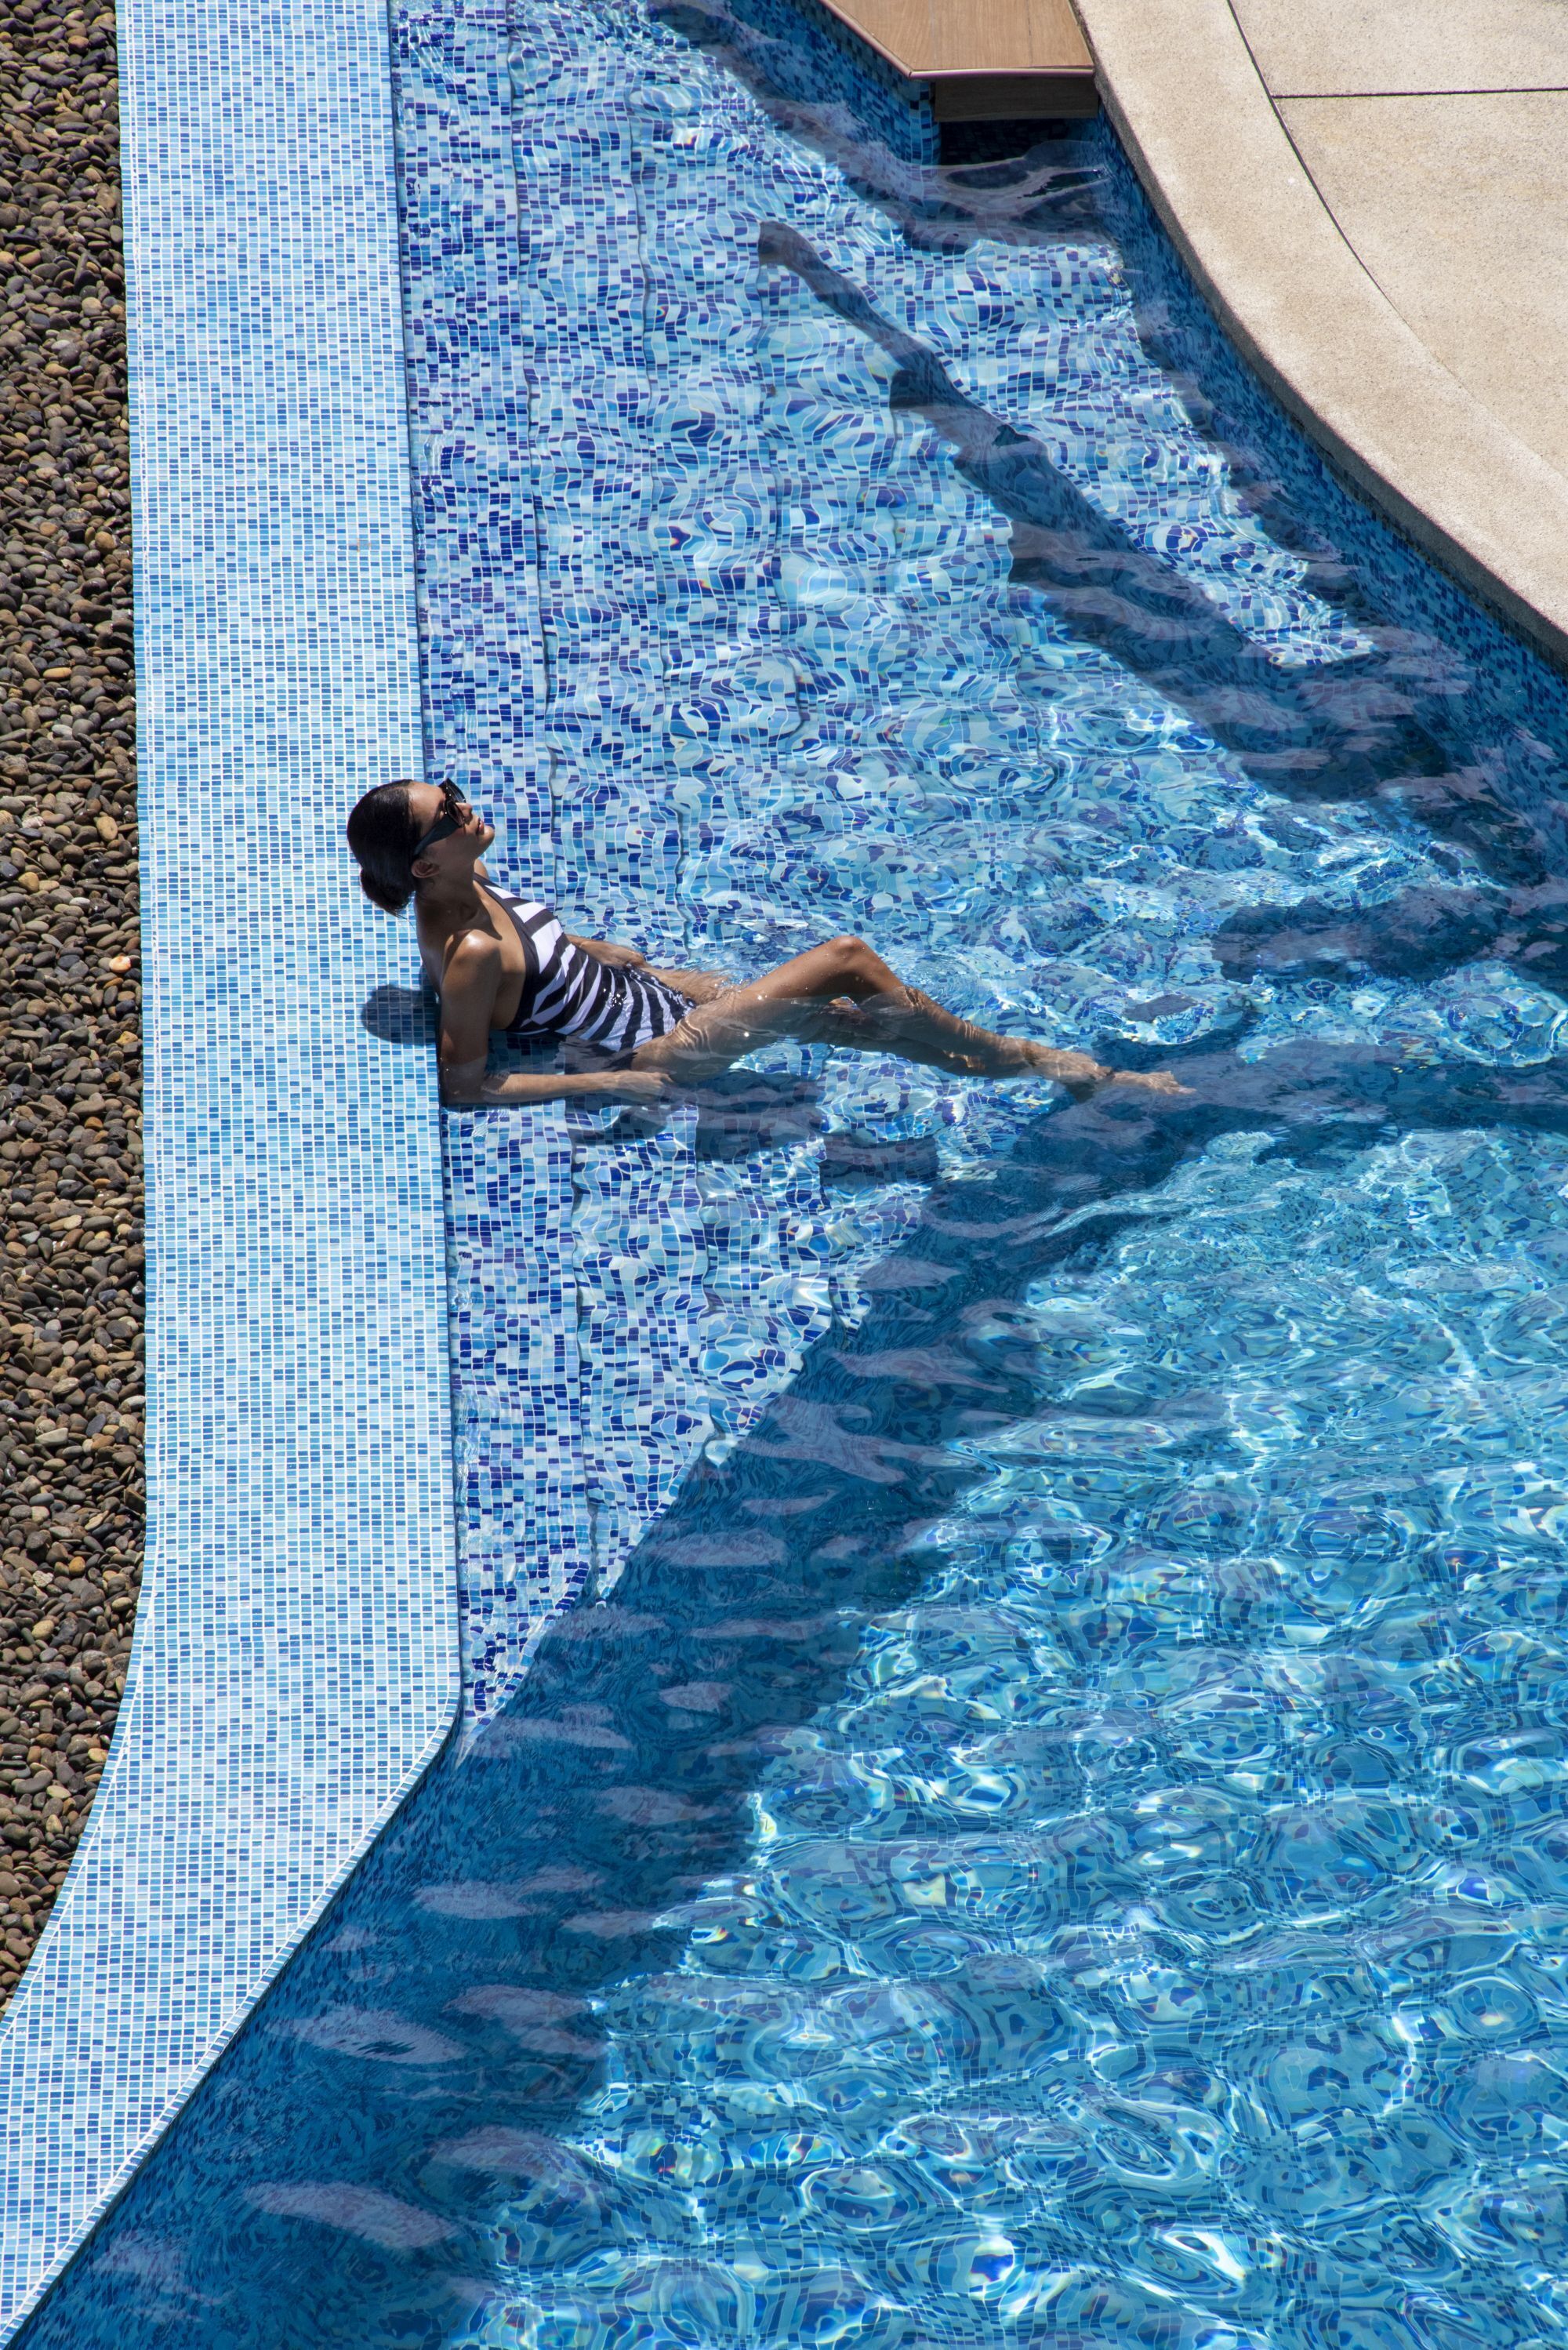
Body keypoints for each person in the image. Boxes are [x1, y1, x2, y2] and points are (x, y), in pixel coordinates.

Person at [347, 779, 1184, 1109]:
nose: (465, 806)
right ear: (424, 864)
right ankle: (1042, 1061)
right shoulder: (466, 950)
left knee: (870, 1025)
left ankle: (1070, 1073)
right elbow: (464, 1087)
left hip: (661, 998)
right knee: (846, 961)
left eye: (451, 791)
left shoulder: (461, 885)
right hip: (661, 1046)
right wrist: (610, 1082)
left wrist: (601, 952)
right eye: (448, 812)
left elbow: (533, 963)